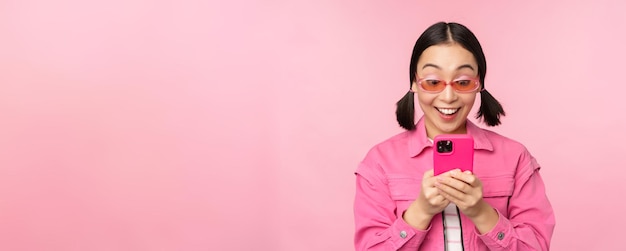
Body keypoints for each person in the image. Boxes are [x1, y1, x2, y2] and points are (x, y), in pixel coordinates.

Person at [353, 22, 555, 250]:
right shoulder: (379, 162)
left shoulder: (516, 157)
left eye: (463, 82)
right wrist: (420, 212)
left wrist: (480, 212)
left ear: (479, 84)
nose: (448, 96)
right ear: (414, 83)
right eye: (432, 82)